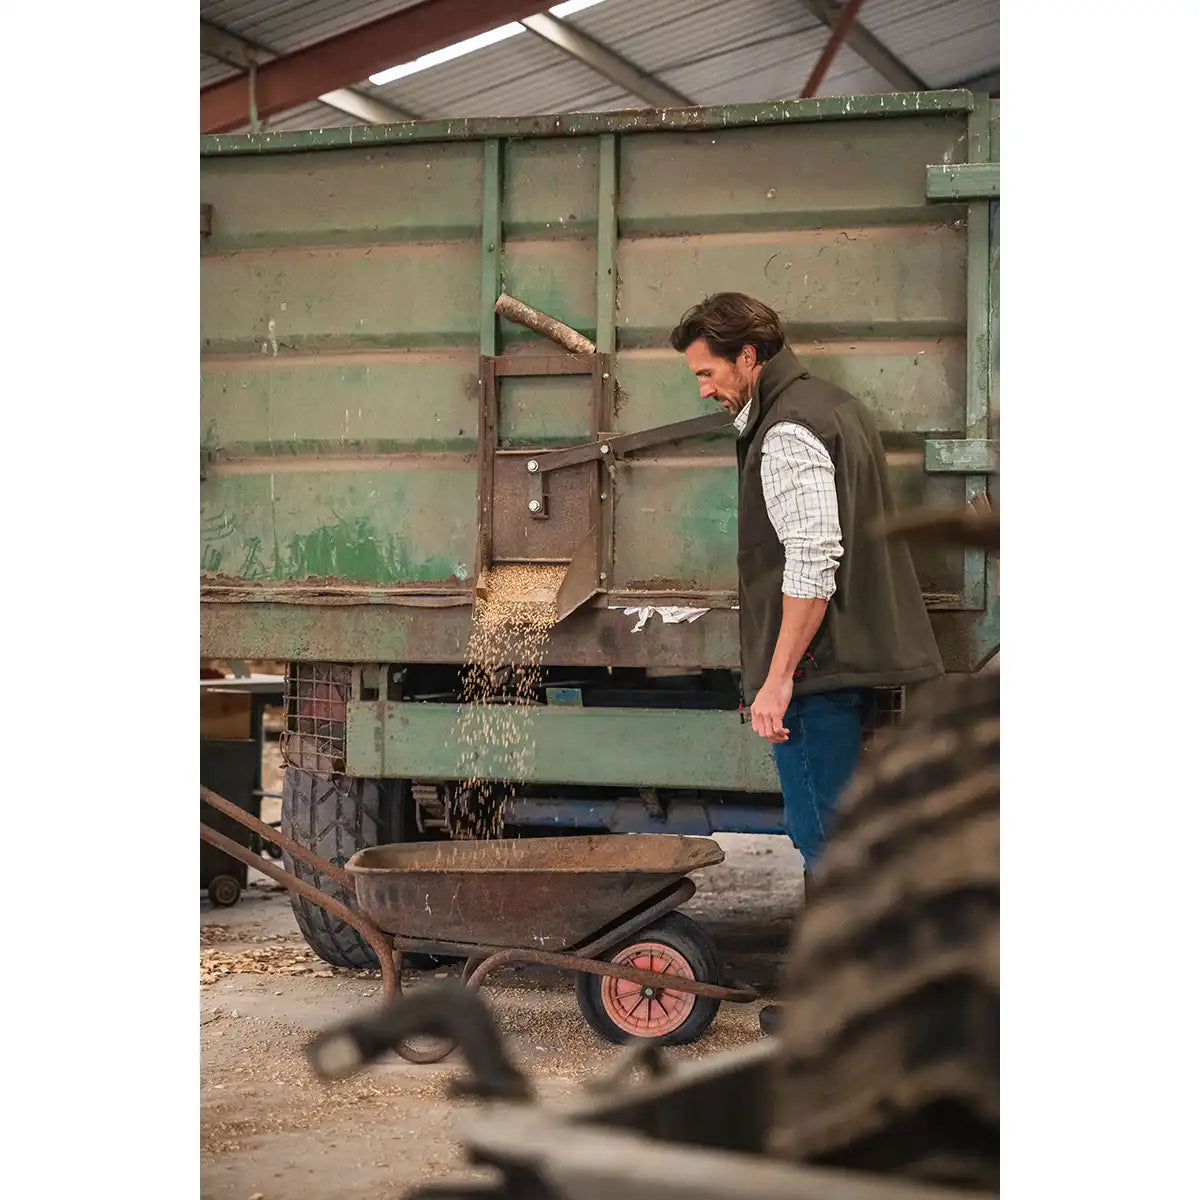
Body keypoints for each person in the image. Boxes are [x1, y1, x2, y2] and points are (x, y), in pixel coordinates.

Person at [670, 293, 943, 1029]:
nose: (703, 388)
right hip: (839, 664)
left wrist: (779, 676)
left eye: (708, 372)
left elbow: (813, 560)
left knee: (826, 832)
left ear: (749, 357)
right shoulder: (830, 406)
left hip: (821, 672)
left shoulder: (786, 430)